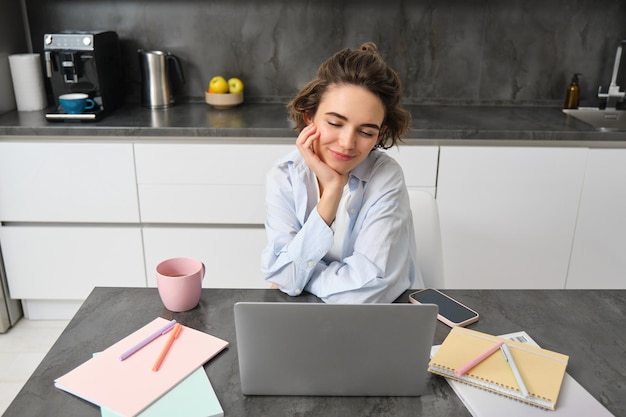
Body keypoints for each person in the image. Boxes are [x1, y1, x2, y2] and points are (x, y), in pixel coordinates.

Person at [261, 42, 424, 303]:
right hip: (304, 320)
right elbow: (287, 278)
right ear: (309, 117)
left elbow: (365, 293)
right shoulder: (284, 176)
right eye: (335, 123)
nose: (347, 143)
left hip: (384, 319)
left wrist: (298, 277)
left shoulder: (386, 177)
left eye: (366, 132)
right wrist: (332, 193)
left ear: (379, 136)